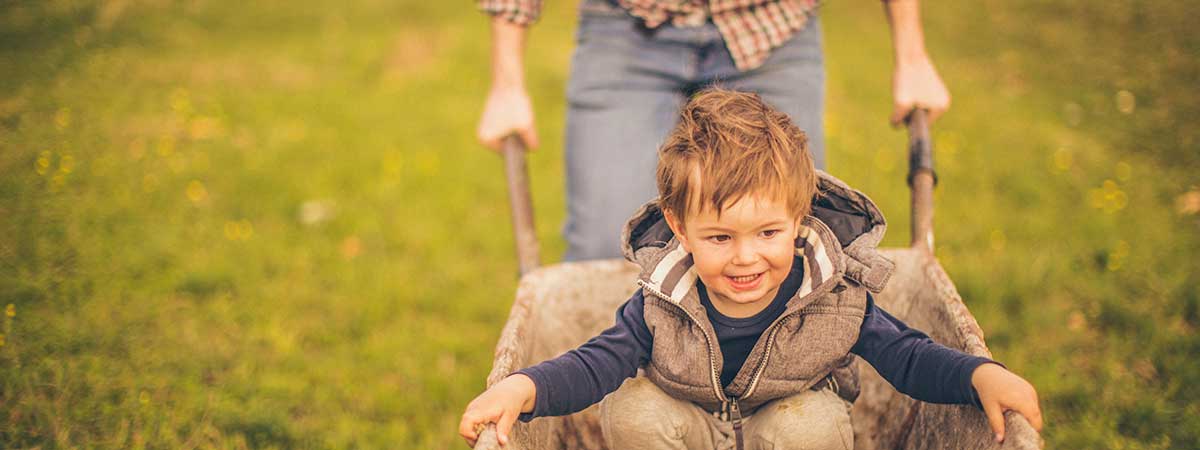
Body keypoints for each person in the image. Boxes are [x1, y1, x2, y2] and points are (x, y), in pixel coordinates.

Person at [459, 89, 1041, 449]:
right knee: (633, 407)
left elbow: (909, 354)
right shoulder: (664, 301)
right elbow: (598, 361)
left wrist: (978, 375)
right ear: (679, 229)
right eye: (718, 237)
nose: (745, 257)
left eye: (768, 233)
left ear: (800, 217)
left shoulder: (834, 297)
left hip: (784, 437)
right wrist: (526, 385)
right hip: (692, 431)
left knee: (803, 425)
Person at [476, 0, 952, 261]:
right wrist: (506, 81)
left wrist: (911, 54)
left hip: (770, 23)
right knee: (603, 247)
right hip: (626, 22)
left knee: (795, 235)